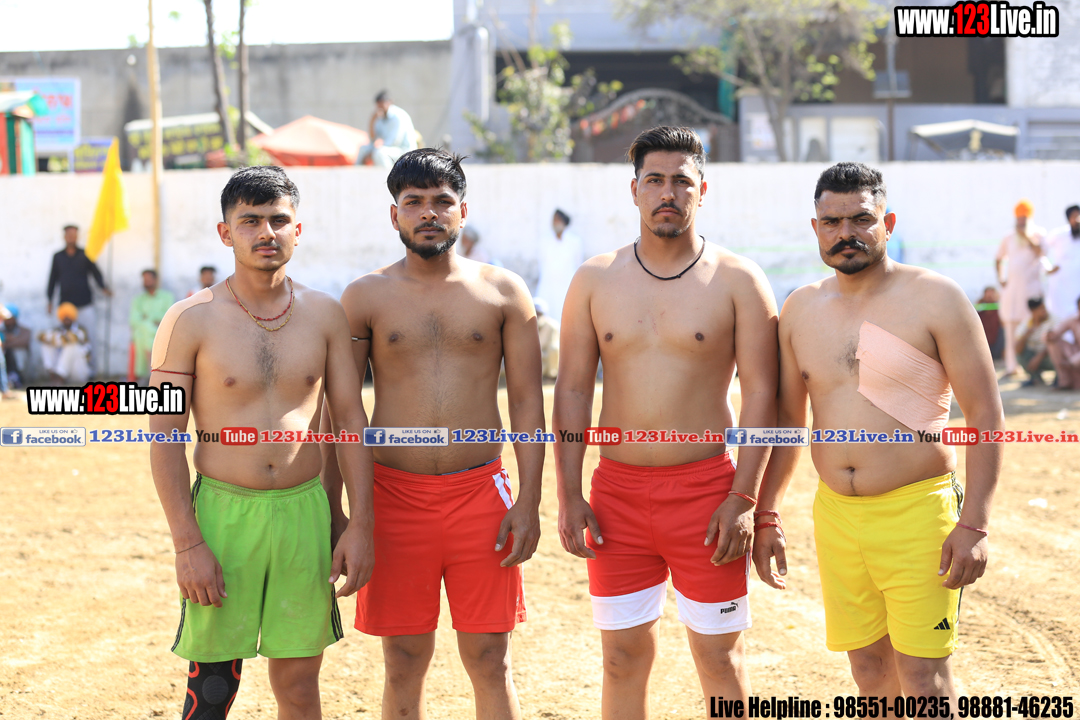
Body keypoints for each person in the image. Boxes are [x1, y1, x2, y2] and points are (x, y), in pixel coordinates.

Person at [753, 162, 1003, 703]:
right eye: (832, 222)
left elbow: (985, 413)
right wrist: (767, 511)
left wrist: (975, 523)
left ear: (887, 222)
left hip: (918, 513)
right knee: (868, 675)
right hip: (837, 518)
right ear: (816, 228)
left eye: (861, 219)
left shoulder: (936, 298)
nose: (846, 233)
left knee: (924, 681)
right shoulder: (800, 308)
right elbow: (789, 424)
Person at [554, 126, 779, 716]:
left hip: (707, 495)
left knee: (720, 659)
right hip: (616, 498)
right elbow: (572, 390)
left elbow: (763, 394)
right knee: (621, 659)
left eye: (681, 180)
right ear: (634, 190)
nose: (667, 193)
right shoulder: (595, 278)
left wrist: (744, 497)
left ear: (703, 189)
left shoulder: (738, 279)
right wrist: (569, 493)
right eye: (654, 180)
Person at [322, 148, 544, 720]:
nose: (428, 213)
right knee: (402, 659)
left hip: (482, 497)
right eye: (413, 201)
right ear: (393, 214)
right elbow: (340, 412)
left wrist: (530, 501)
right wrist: (339, 511)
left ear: (462, 211)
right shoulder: (364, 296)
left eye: (442, 201)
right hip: (393, 499)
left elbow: (526, 401)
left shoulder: (504, 292)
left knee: (490, 658)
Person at [148, 166, 375, 720]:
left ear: (298, 228)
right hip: (224, 515)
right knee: (213, 686)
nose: (266, 232)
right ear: (225, 232)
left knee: (299, 684)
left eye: (278, 219)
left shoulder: (325, 314)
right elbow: (164, 438)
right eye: (250, 221)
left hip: (303, 513)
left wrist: (357, 522)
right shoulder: (188, 320)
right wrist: (187, 543)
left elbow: (349, 421)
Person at [46, 224, 113, 374]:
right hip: (66, 307)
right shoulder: (58, 257)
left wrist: (103, 287)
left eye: (74, 234)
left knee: (89, 337)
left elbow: (95, 273)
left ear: (77, 236)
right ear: (64, 237)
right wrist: (49, 300)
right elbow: (52, 279)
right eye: (69, 234)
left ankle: (91, 371)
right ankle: (61, 372)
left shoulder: (86, 254)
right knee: (64, 338)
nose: (71, 237)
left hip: (85, 303)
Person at [995, 200, 1046, 377]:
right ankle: (1011, 367)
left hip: (1031, 292)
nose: (1021, 222)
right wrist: (1001, 279)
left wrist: (1026, 236)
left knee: (1031, 328)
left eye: (1024, 219)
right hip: (1012, 293)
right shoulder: (1008, 236)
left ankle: (1032, 369)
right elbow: (998, 258)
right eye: (1019, 219)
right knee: (1010, 329)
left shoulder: (1039, 234)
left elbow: (1041, 253)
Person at [535, 209, 584, 321]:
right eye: (554, 220)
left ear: (563, 222)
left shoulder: (574, 241)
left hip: (566, 284)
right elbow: (541, 262)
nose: (554, 223)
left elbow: (578, 264)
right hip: (548, 284)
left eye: (557, 220)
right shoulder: (545, 240)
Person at [130, 269, 176, 383]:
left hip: (162, 332)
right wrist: (153, 320)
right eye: (145, 280)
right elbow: (134, 320)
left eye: (149, 279)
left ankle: (146, 374)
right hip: (143, 333)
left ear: (155, 280)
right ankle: (152, 372)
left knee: (147, 331)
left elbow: (169, 316)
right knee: (146, 331)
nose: (147, 282)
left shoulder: (167, 296)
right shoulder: (138, 299)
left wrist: (147, 317)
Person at [356, 90, 418, 169]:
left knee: (380, 153)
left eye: (382, 103)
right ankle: (356, 175)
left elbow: (394, 142)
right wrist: (372, 121)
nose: (380, 107)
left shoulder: (398, 116)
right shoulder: (380, 117)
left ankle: (388, 175)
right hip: (390, 150)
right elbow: (372, 139)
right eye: (378, 104)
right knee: (363, 149)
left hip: (405, 152)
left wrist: (373, 152)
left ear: (389, 102)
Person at [37, 302, 91, 385]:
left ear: (73, 316)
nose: (66, 318)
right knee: (46, 344)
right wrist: (57, 339)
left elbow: (70, 338)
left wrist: (55, 339)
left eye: (69, 316)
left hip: (78, 371)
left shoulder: (81, 330)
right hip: (63, 372)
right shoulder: (57, 329)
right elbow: (40, 336)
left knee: (71, 346)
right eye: (64, 316)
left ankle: (60, 377)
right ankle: (53, 376)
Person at [1045, 205, 1080, 320]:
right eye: (1074, 217)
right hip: (1062, 290)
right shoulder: (1059, 235)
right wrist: (1048, 268)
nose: (1077, 220)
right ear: (1068, 219)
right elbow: (1041, 250)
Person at [1016, 297, 1055, 387]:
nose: (1044, 311)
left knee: (1055, 347)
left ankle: (1060, 378)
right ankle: (1035, 378)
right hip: (1035, 357)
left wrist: (1039, 357)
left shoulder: (1054, 320)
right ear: (1033, 311)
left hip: (1051, 357)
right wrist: (1026, 335)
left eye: (1044, 307)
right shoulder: (1027, 323)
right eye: (1041, 308)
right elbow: (1017, 349)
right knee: (1020, 354)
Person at [1047, 295, 1080, 390]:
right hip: (1075, 353)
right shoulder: (1073, 319)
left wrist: (1072, 362)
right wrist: (1050, 335)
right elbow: (1056, 332)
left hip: (1075, 359)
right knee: (1053, 342)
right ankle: (1064, 381)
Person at [1, 305, 32, 389]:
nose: (8, 321)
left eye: (10, 318)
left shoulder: (24, 330)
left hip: (18, 363)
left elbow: (24, 342)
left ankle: (16, 377)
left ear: (15, 318)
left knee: (18, 351)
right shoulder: (2, 331)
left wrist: (6, 342)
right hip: (6, 360)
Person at [534, 297, 560, 380]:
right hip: (532, 357)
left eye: (539, 313)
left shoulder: (551, 325)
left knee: (553, 348)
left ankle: (552, 375)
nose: (538, 316)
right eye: (536, 313)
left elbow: (553, 346)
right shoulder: (526, 326)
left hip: (547, 357)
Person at [974, 286, 1003, 359]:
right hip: (983, 346)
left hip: (996, 347)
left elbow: (1004, 325)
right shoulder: (980, 313)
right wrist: (978, 304)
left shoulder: (999, 312)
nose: (989, 298)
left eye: (991, 295)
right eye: (987, 296)